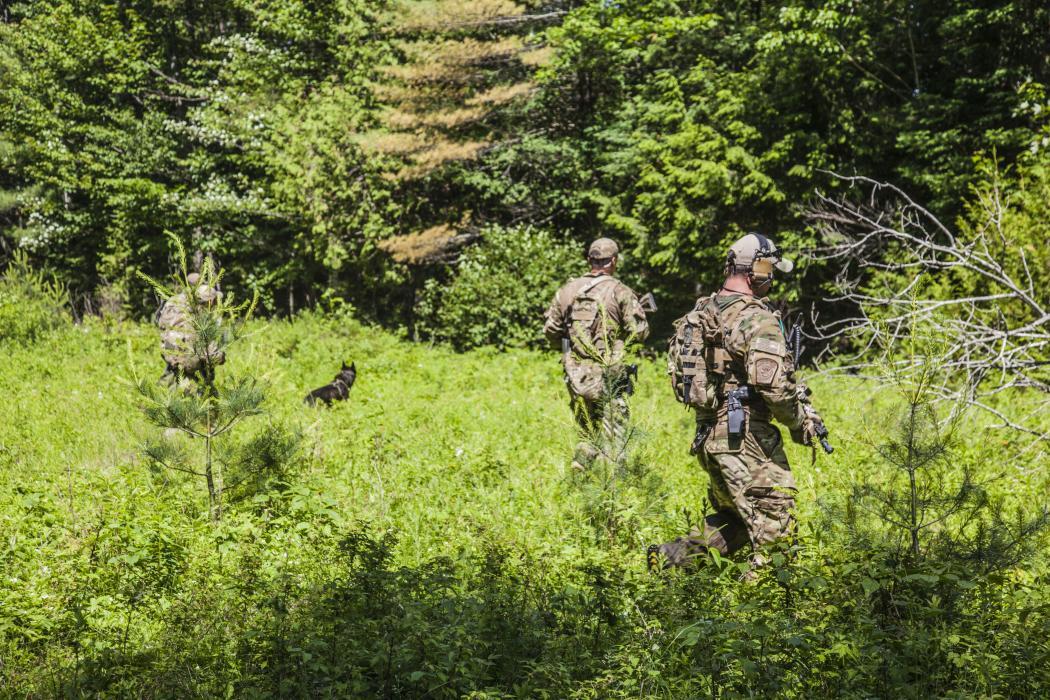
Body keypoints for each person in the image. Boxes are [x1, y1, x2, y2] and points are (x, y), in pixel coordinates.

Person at [652, 232, 827, 573]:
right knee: (776, 528)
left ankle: (670, 561)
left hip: (710, 436)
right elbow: (775, 387)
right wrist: (800, 422)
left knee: (736, 521)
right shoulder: (755, 318)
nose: (773, 278)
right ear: (758, 271)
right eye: (771, 270)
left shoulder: (700, 313)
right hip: (745, 438)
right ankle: (755, 616)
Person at [543, 238, 650, 471]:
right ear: (614, 261)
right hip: (609, 375)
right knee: (614, 436)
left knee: (587, 431)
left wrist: (569, 354)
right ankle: (611, 489)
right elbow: (639, 332)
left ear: (589, 260)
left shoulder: (567, 291)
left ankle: (580, 476)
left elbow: (551, 329)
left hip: (576, 376)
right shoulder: (620, 291)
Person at [157, 271, 224, 386]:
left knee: (169, 383)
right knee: (195, 393)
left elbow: (161, 324)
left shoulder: (172, 301)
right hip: (190, 362)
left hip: (169, 351)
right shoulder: (197, 312)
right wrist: (220, 356)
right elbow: (206, 347)